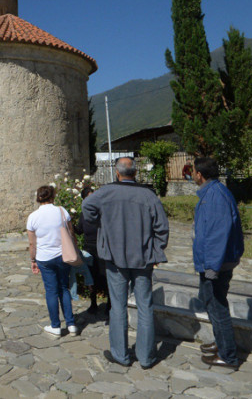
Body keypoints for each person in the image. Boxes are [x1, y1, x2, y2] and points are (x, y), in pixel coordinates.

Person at [82, 157, 169, 368]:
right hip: (143, 258)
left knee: (118, 307)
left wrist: (102, 223)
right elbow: (162, 228)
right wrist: (156, 250)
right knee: (145, 306)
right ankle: (147, 357)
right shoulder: (148, 195)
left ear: (117, 173)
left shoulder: (105, 193)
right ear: (135, 173)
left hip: (115, 258)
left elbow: (86, 207)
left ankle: (120, 354)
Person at [191, 157, 244, 369]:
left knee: (217, 306)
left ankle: (228, 355)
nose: (192, 174)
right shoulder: (212, 193)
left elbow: (217, 234)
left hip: (216, 264)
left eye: (192, 171)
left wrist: (212, 266)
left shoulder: (214, 197)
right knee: (208, 301)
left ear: (199, 174)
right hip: (214, 262)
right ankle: (221, 342)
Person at [27, 185, 78, 337]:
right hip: (63, 255)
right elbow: (71, 231)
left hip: (44, 258)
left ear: (38, 198)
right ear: (52, 196)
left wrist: (33, 260)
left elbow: (32, 243)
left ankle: (55, 325)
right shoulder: (62, 211)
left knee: (51, 291)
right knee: (64, 288)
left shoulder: (33, 217)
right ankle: (71, 324)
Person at [75, 185, 108, 315]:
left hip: (102, 248)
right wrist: (68, 225)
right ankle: (93, 303)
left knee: (105, 277)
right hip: (89, 249)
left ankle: (109, 305)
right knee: (91, 277)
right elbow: (79, 230)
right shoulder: (84, 215)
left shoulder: (102, 213)